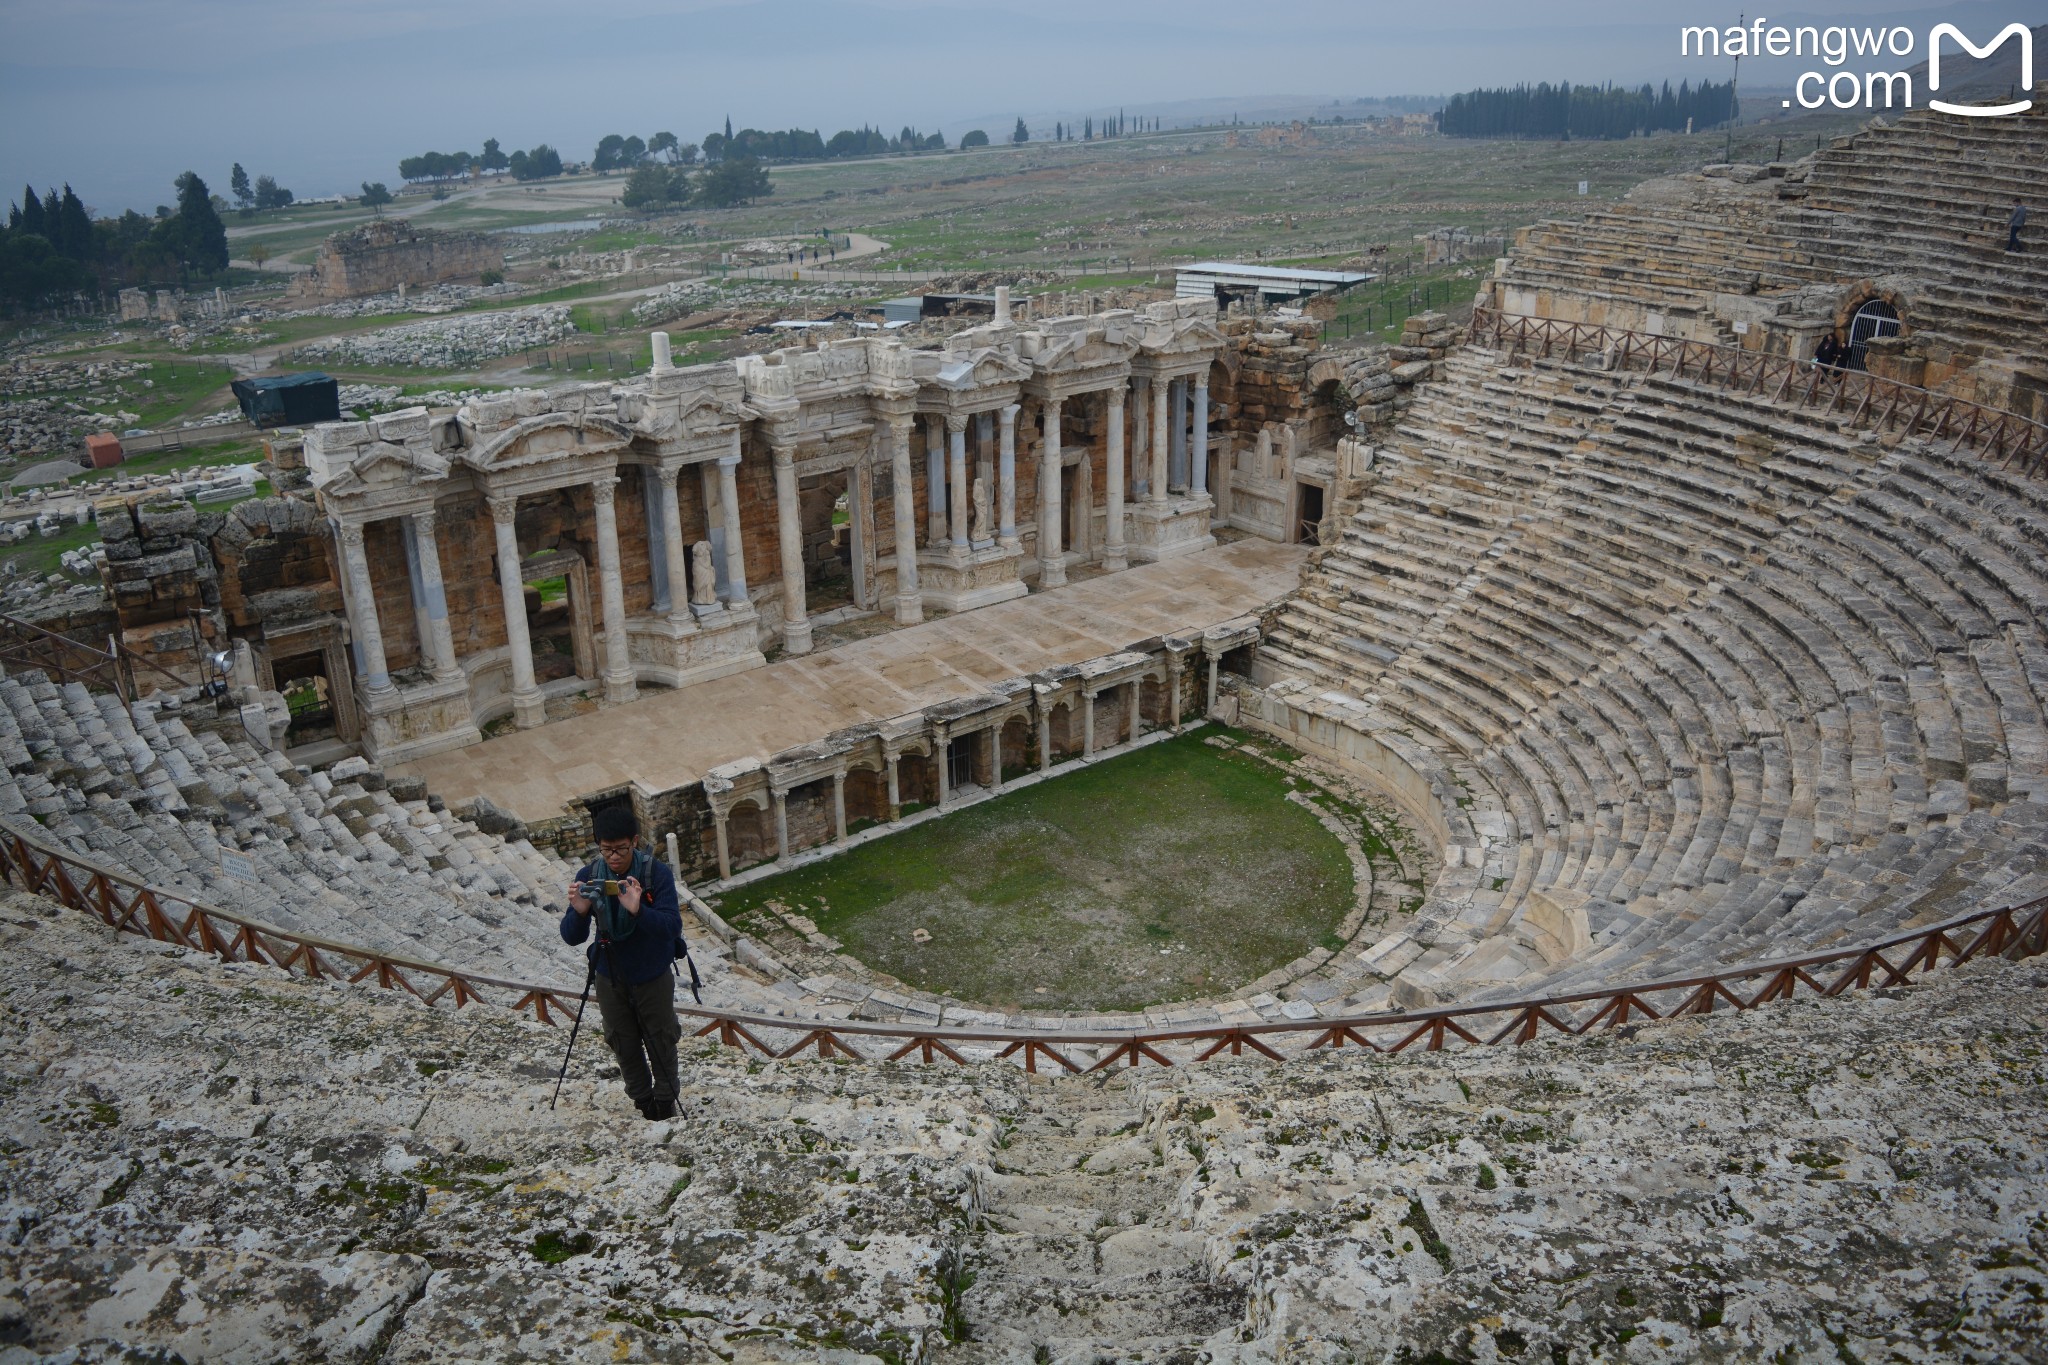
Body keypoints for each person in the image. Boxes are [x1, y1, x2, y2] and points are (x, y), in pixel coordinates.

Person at [560, 807, 683, 1120]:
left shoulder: (656, 874)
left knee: (661, 1040)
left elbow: (671, 928)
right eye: (606, 849)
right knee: (622, 1042)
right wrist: (579, 910)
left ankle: (665, 1103)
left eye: (621, 849)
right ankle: (642, 1102)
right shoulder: (588, 876)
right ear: (598, 845)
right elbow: (572, 937)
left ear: (635, 842)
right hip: (610, 975)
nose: (614, 857)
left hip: (652, 975)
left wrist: (638, 910)